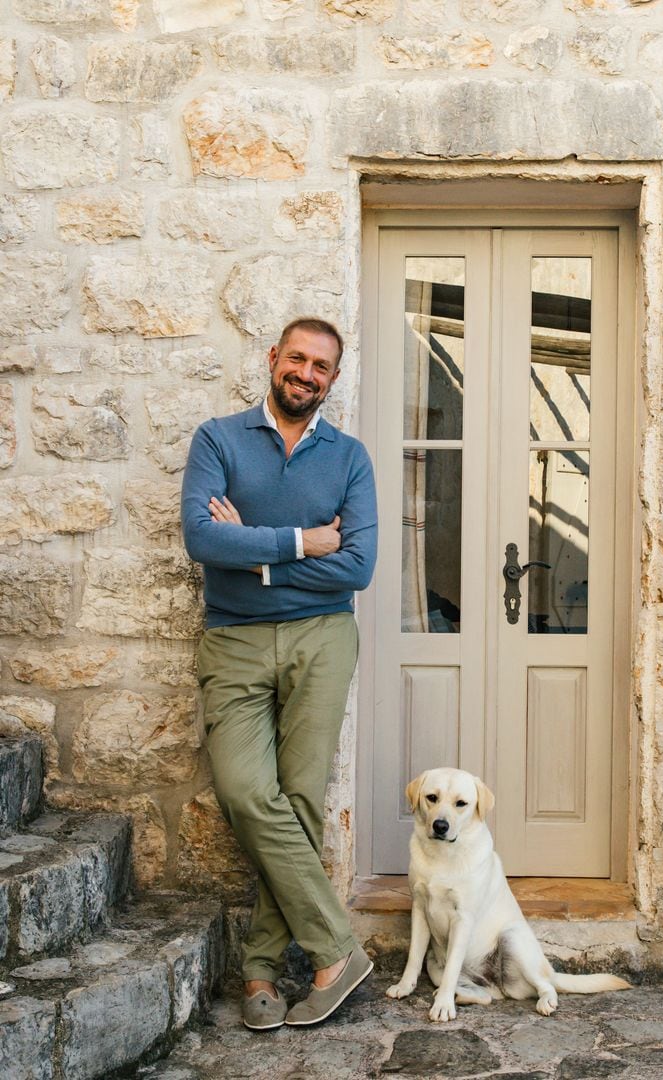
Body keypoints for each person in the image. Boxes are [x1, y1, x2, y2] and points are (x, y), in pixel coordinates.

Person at [181, 317, 377, 1030]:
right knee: (244, 789)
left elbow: (356, 566)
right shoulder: (218, 440)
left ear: (332, 378)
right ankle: (335, 949)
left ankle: (262, 970)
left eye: (321, 366)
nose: (307, 373)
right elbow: (202, 538)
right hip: (232, 641)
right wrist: (300, 542)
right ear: (274, 359)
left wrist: (254, 555)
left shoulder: (349, 458)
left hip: (323, 640)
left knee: (298, 798)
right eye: (297, 358)